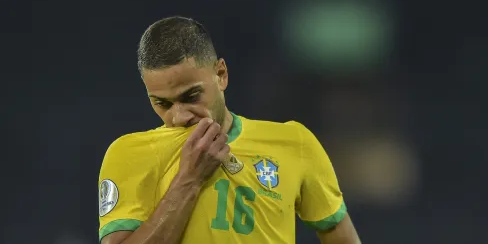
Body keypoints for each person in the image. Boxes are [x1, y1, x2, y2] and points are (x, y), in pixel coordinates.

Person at [98, 16, 361, 244]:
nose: (179, 117)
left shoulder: (295, 143)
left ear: (221, 74)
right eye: (162, 103)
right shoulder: (129, 154)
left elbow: (341, 236)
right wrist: (189, 179)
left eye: (191, 96)